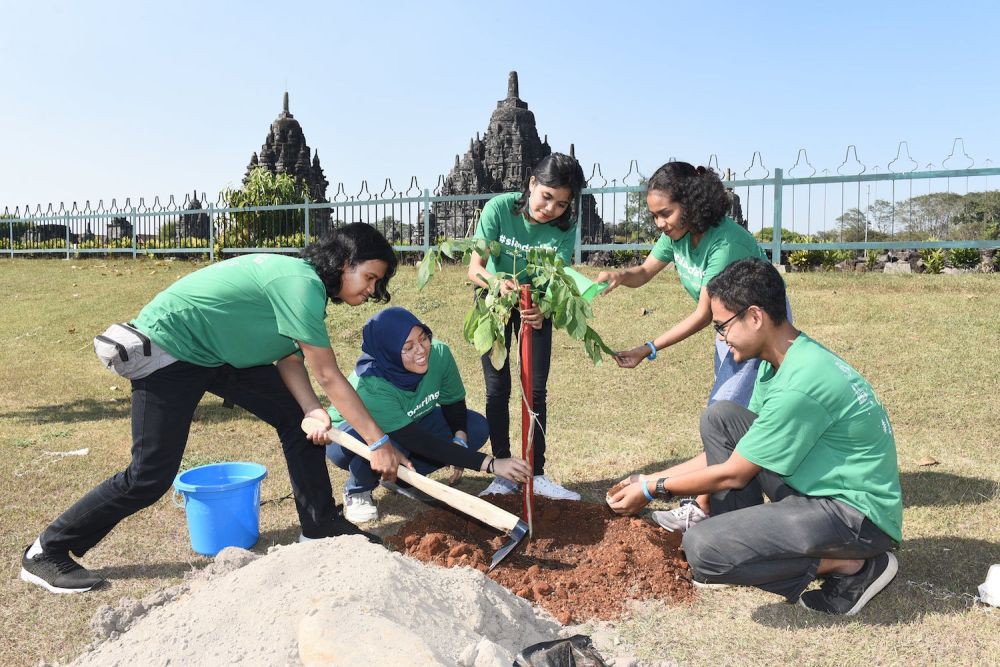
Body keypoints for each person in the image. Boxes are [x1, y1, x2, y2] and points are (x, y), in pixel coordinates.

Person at [21, 223, 410, 595]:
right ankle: (46, 551)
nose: (372, 291)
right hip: (171, 349)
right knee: (148, 477)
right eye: (371, 278)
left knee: (296, 421)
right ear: (344, 262)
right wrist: (379, 443)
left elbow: (289, 359)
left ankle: (319, 524)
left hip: (216, 354)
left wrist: (312, 409)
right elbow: (328, 376)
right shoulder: (301, 283)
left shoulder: (304, 287)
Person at [608, 258, 902, 616]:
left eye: (722, 326)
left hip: (856, 517)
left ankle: (852, 566)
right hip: (817, 490)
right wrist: (647, 479)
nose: (721, 338)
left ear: (755, 317)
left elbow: (735, 473)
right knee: (722, 419)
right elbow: (745, 452)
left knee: (703, 551)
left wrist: (655, 489)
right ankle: (740, 533)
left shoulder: (802, 381)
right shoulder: (776, 363)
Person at [317, 307, 532, 522]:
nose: (421, 351)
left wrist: (459, 439)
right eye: (408, 347)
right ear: (388, 352)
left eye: (423, 339)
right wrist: (492, 464)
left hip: (409, 421)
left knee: (475, 427)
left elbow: (453, 400)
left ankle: (402, 478)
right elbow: (422, 443)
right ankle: (358, 489)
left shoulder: (438, 353)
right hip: (350, 436)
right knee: (393, 444)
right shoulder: (373, 386)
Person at [596, 161, 775, 408]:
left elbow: (704, 314)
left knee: (726, 409)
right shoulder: (677, 233)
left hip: (758, 326)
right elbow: (645, 271)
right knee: (732, 407)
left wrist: (649, 348)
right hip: (728, 326)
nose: (659, 223)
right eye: (654, 216)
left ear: (691, 204)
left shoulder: (724, 244)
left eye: (665, 213)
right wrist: (620, 276)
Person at [467, 153, 586, 500]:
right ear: (532, 183)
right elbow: (475, 267)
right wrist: (494, 282)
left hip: (534, 305)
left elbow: (557, 278)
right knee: (497, 388)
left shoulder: (565, 227)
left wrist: (544, 308)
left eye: (561, 204)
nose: (551, 209)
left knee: (535, 390)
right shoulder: (499, 209)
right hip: (495, 303)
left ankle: (536, 472)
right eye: (546, 197)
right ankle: (503, 472)